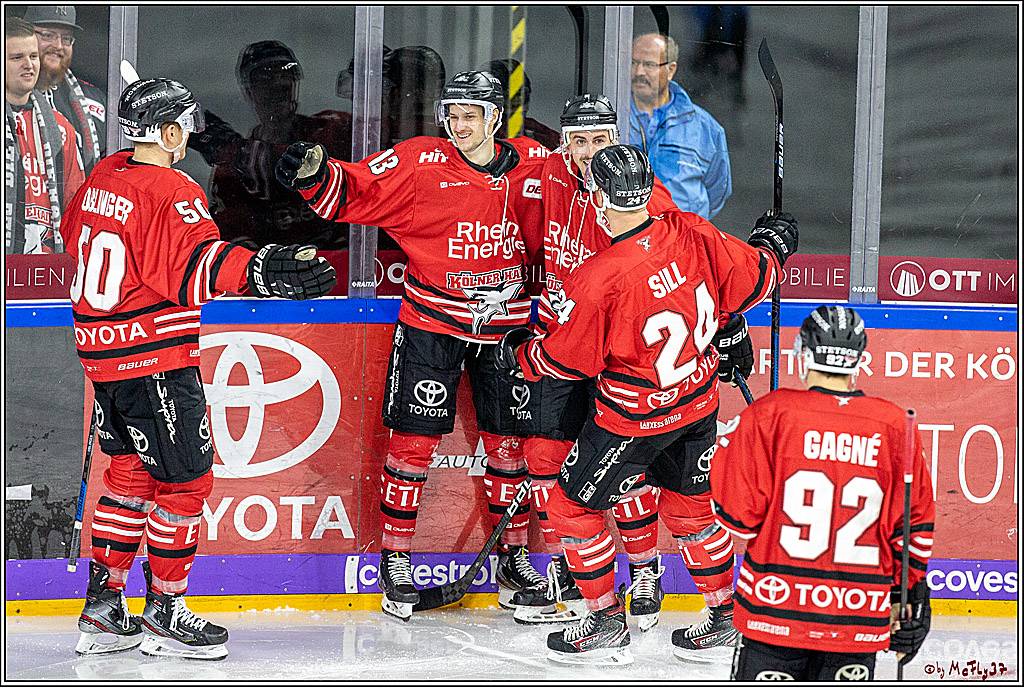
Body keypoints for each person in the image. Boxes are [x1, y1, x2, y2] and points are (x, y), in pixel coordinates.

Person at [61, 76, 336, 660]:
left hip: (105, 357)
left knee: (133, 478)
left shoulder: (102, 178)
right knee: (186, 484)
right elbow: (193, 267)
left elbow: (79, 241)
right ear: (166, 131)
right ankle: (166, 610)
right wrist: (260, 271)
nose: (190, 133)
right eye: (184, 123)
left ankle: (105, 608)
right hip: (152, 359)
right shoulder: (172, 188)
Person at [496, 144, 797, 665]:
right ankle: (725, 617)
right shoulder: (692, 231)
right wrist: (773, 244)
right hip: (699, 405)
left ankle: (606, 621)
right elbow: (755, 278)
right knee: (690, 512)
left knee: (571, 506)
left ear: (598, 198)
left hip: (633, 422)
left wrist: (517, 355)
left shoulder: (600, 277)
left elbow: (566, 364)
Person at [275, 70, 551, 621]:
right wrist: (314, 173)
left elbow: (605, 197)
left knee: (509, 448)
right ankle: (396, 559)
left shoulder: (534, 165)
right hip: (432, 324)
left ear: (497, 118)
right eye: (452, 114)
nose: (458, 124)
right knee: (411, 446)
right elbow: (356, 188)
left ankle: (514, 558)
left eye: (471, 114)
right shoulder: (422, 161)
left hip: (511, 329)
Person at [511, 94, 683, 630]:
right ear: (564, 142)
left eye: (601, 141)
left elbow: (688, 253)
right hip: (560, 341)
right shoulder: (544, 178)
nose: (589, 153)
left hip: (621, 352)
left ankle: (646, 572)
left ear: (616, 139)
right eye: (579, 141)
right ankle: (572, 574)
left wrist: (728, 325)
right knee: (545, 460)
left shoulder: (645, 191)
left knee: (628, 476)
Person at [710, 305, 935, 680]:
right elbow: (915, 532)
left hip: (773, 613)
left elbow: (738, 519)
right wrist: (908, 596)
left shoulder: (770, 414)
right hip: (857, 620)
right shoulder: (895, 425)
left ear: (803, 352)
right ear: (858, 359)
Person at [187, 40, 352, 250]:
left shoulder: (330, 130)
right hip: (280, 275)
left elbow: (382, 142)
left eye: (286, 76)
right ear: (249, 92)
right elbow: (234, 236)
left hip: (339, 268)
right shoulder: (230, 173)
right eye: (267, 77)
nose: (280, 84)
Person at [629, 32, 731, 219]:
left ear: (671, 70)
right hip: (625, 239)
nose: (639, 72)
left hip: (682, 242)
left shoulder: (705, 128)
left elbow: (718, 190)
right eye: (634, 62)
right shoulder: (611, 117)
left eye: (649, 65)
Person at [5, 16, 84, 254]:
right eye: (17, 57)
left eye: (33, 56)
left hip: (47, 268)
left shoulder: (61, 129)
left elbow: (75, 207)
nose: (29, 65)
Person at [24, 5, 106, 176]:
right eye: (48, 35)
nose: (58, 46)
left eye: (67, 39)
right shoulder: (10, 95)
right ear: (25, 37)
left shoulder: (94, 100)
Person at [480, 59, 560, 151]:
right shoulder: (472, 133)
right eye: (514, 94)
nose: (519, 99)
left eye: (522, 93)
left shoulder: (535, 132)